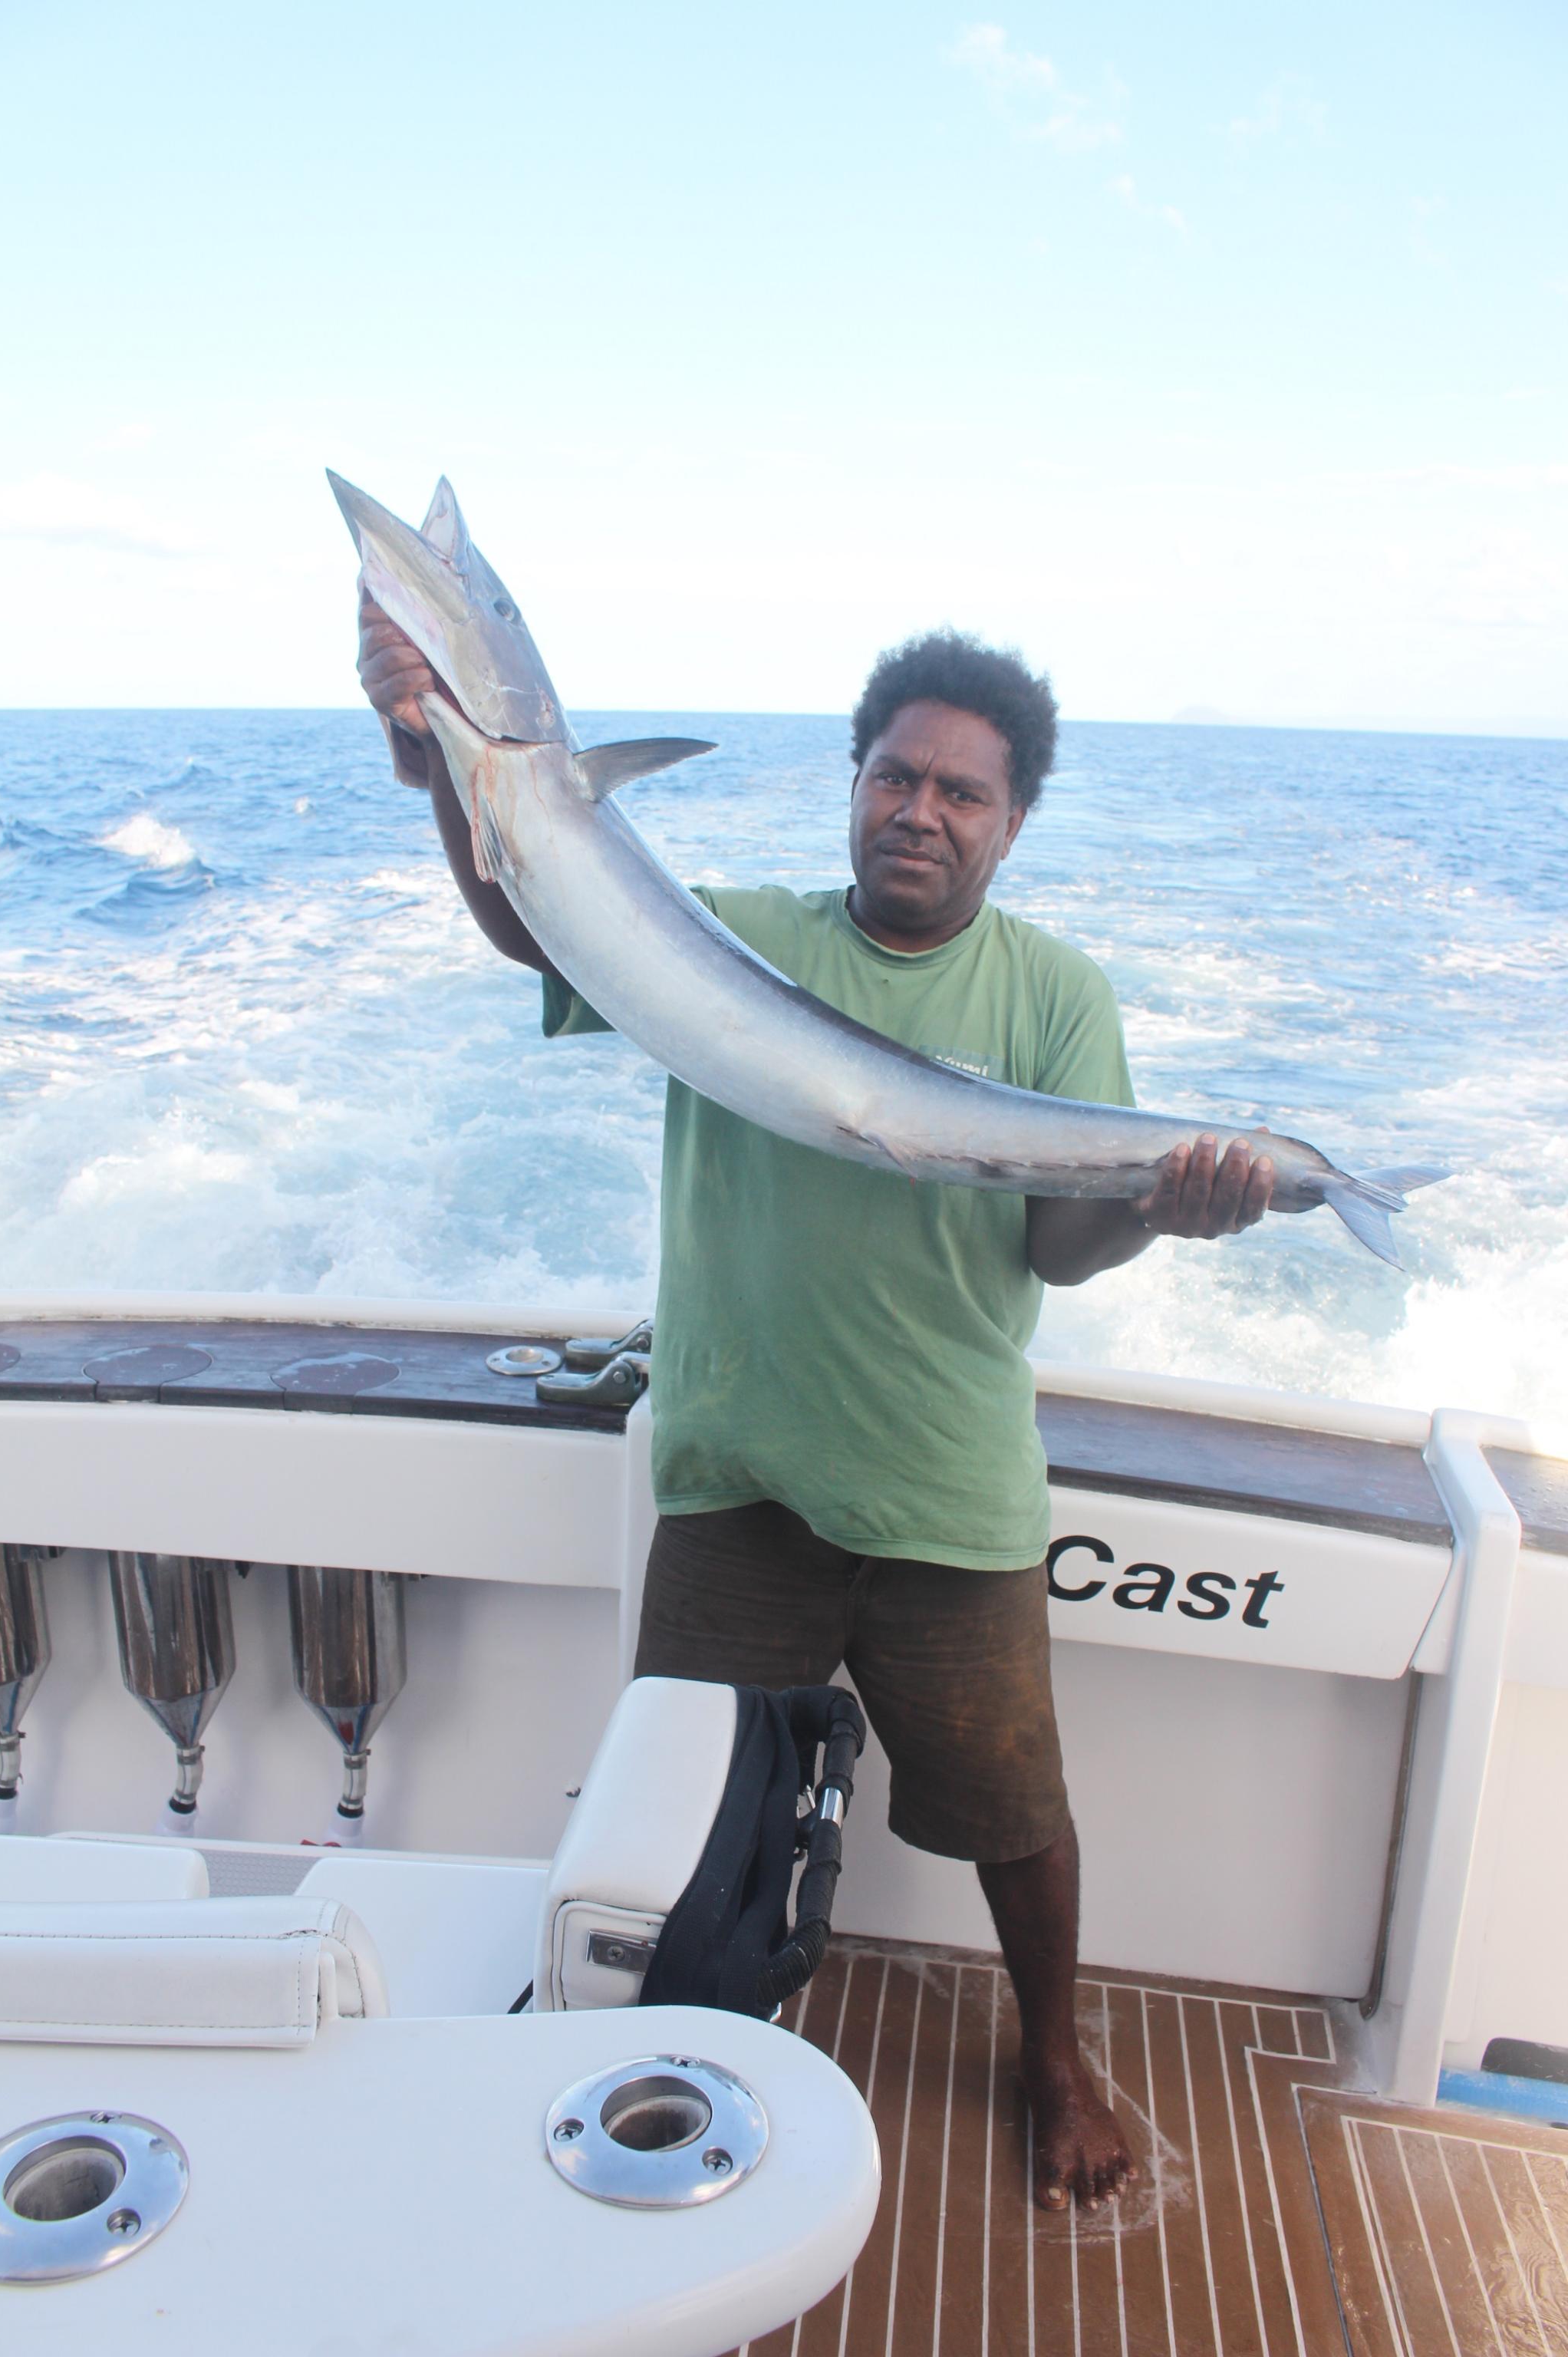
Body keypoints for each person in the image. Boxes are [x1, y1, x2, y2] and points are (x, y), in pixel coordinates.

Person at [356, 594, 1276, 2210]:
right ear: (852, 781)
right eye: (892, 776)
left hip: (943, 1490)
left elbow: (1057, 1241)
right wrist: (438, 746)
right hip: (735, 1483)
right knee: (685, 1801)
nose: (918, 810)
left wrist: (1154, 1199)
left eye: (961, 792)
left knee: (1016, 1816)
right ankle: (675, 2048)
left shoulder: (1056, 997)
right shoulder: (739, 940)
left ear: (1011, 825)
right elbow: (538, 918)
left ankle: (1052, 2051)